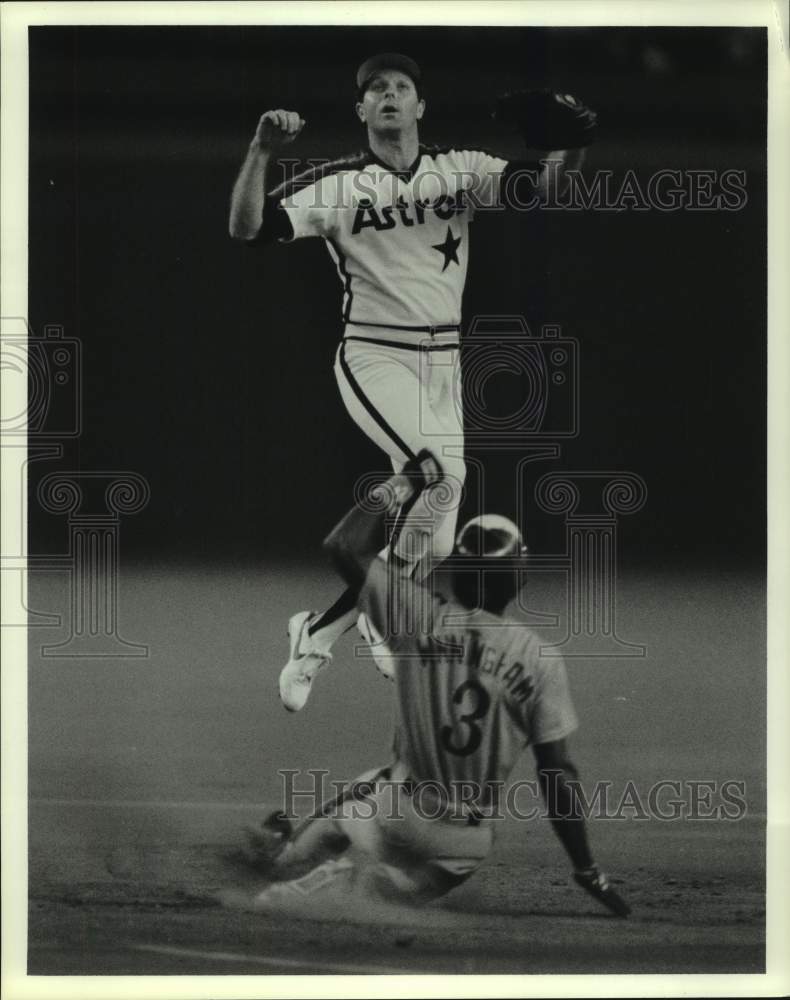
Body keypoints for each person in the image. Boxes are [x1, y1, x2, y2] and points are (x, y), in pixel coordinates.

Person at [228, 52, 593, 712]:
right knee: (438, 468)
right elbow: (248, 229)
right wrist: (260, 150)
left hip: (443, 363)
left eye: (401, 87)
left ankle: (316, 632)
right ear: (362, 111)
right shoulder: (339, 183)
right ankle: (377, 614)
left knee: (439, 534)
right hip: (374, 357)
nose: (389, 95)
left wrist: (567, 144)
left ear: (420, 107)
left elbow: (548, 190)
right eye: (375, 89)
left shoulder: (462, 170)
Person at [243, 451, 629, 916]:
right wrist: (587, 869)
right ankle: (363, 883)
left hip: (399, 815)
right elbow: (557, 775)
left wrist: (406, 481)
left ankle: (289, 863)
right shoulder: (538, 658)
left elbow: (344, 546)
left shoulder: (417, 614)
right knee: (389, 890)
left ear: (459, 573)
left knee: (371, 788)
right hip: (462, 845)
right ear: (517, 579)